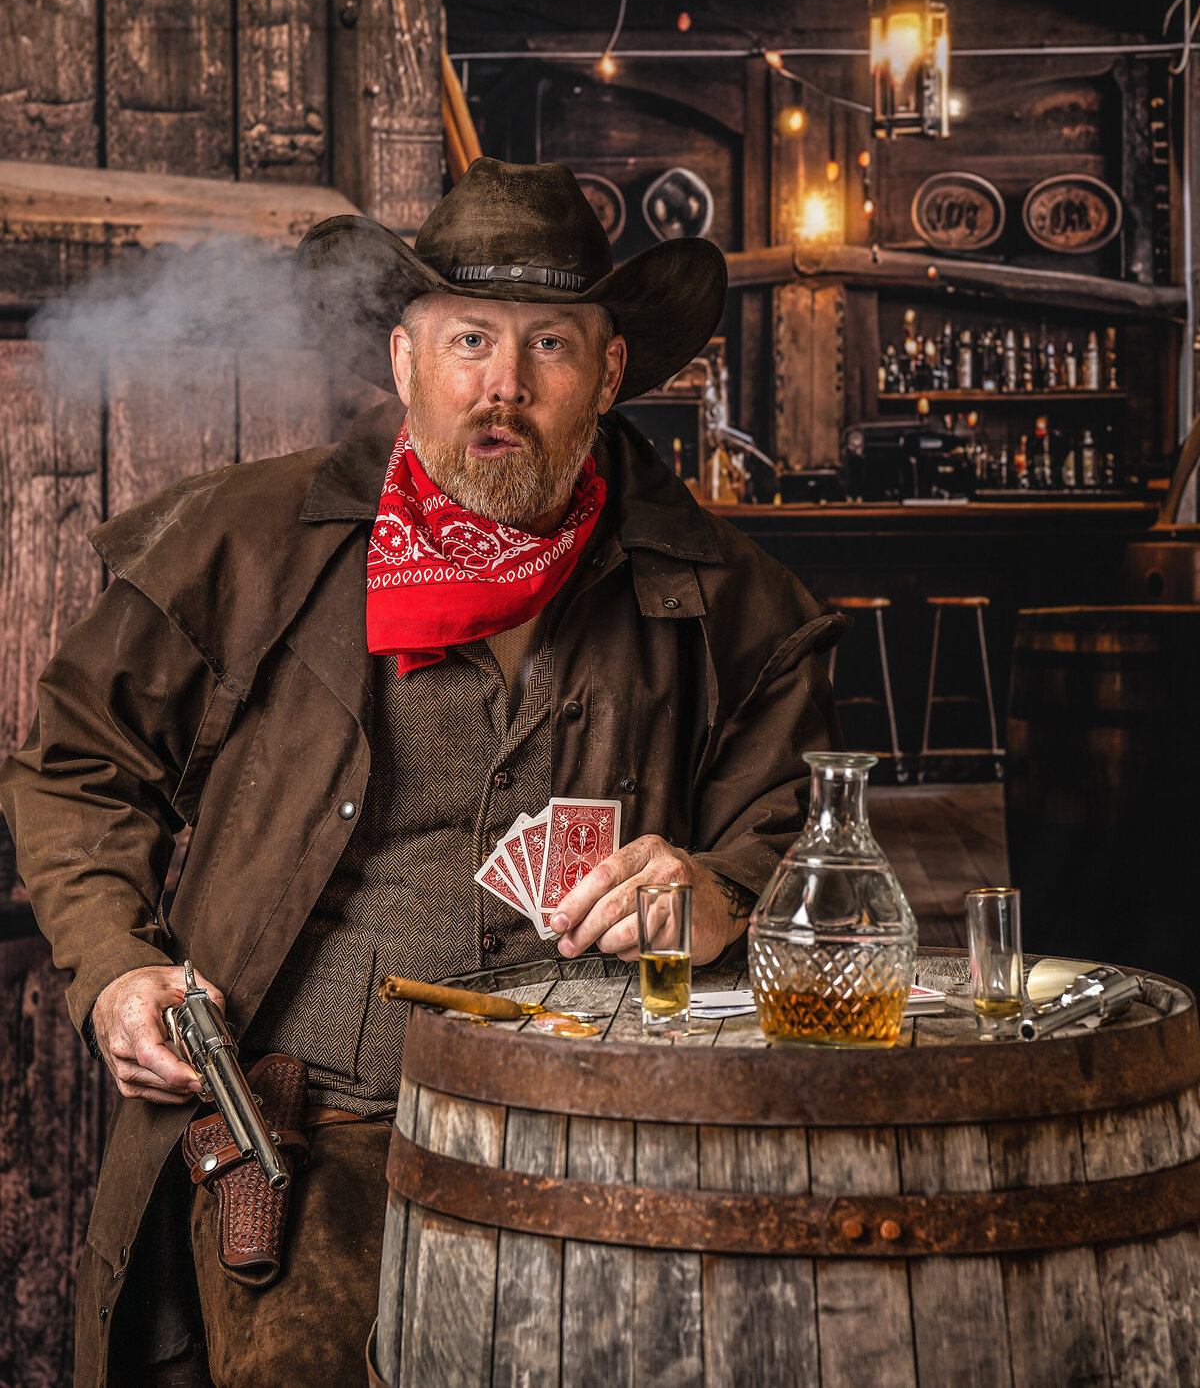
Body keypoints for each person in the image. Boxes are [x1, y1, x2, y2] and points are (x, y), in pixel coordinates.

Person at [0, 158, 844, 1388]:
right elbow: (76, 768)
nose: (505, 385)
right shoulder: (239, 544)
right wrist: (118, 969)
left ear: (610, 372)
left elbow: (807, 841)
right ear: (404, 360)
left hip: (617, 1132)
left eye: (550, 344)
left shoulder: (738, 604)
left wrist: (719, 891)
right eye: (469, 339)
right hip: (312, 1131)